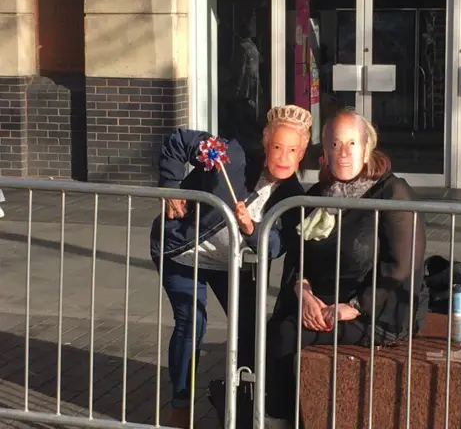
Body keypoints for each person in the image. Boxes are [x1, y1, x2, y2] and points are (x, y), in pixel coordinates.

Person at [149, 105, 312, 428]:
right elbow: (179, 141)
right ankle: (180, 407)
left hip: (234, 265)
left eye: (292, 150)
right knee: (191, 321)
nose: (283, 156)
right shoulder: (230, 155)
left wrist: (252, 229)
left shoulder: (293, 197)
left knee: (251, 329)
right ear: (265, 146)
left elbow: (278, 246)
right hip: (183, 250)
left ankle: (244, 403)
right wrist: (170, 187)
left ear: (302, 153)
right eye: (277, 147)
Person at [265, 109, 429, 425]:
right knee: (278, 328)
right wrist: (305, 292)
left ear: (367, 147)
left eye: (352, 143)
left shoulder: (392, 193)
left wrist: (353, 306)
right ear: (324, 153)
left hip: (376, 306)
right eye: (335, 144)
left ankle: (281, 419)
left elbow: (402, 266)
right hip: (324, 298)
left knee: (285, 334)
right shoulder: (317, 195)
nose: (344, 153)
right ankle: (278, 417)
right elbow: (298, 259)